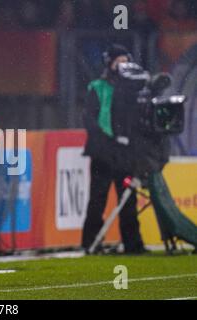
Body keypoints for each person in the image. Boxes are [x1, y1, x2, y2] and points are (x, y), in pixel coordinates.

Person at [81, 44, 147, 254]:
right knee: (98, 199)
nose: (123, 65)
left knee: (128, 200)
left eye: (125, 60)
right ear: (109, 63)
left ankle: (133, 244)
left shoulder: (133, 90)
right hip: (102, 152)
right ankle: (91, 243)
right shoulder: (97, 87)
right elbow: (90, 120)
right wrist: (106, 142)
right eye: (119, 61)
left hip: (124, 153)